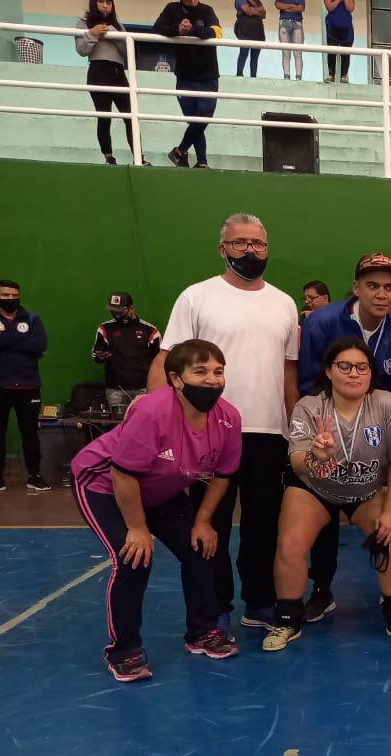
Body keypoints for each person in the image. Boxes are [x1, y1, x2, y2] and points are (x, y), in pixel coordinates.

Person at [149, 213, 300, 634]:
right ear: (222, 249)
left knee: (262, 525)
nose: (250, 250)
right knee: (208, 524)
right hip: (208, 435)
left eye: (258, 243)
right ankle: (214, 608)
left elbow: (288, 373)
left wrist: (295, 430)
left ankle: (260, 601)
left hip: (268, 434)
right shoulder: (197, 297)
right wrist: (162, 420)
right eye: (240, 243)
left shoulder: (285, 303)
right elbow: (166, 361)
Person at [72, 339, 241, 681]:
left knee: (200, 547)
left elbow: (223, 475)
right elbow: (123, 473)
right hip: (105, 484)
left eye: (218, 371)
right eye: (200, 371)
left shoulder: (228, 419)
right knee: (133, 558)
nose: (211, 379)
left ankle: (202, 633)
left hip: (159, 489)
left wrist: (203, 521)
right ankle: (124, 651)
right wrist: (137, 528)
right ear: (176, 379)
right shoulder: (153, 411)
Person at [297, 252, 391, 621]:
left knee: (389, 511)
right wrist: (317, 432)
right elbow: (308, 383)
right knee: (324, 502)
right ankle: (321, 588)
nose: (382, 294)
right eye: (373, 286)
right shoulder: (322, 322)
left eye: (389, 287)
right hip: (331, 427)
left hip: (381, 428)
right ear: (356, 288)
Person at [264, 337, 391, 651]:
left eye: (362, 367)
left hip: (366, 491)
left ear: (370, 372)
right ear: (329, 370)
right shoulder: (309, 407)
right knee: (290, 544)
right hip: (314, 488)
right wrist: (316, 457)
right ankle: (287, 619)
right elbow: (296, 460)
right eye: (345, 366)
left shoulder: (386, 404)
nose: (354, 373)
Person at [0, 279, 49, 495]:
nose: (10, 299)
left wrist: (3, 337)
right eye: (5, 295)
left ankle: (35, 476)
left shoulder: (32, 318)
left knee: (30, 434)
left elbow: (40, 345)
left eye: (14, 295)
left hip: (28, 386)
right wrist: (22, 338)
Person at [154, 0, 223, 169]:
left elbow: (217, 32)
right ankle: (202, 162)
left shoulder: (207, 10)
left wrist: (192, 30)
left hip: (208, 76)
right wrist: (177, 29)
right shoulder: (172, 8)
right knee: (194, 121)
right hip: (185, 76)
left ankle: (180, 151)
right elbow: (157, 28)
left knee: (203, 116)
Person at [75, 0, 144, 166]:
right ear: (94, 3)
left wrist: (116, 35)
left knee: (131, 117)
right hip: (98, 71)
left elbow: (130, 52)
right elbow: (81, 50)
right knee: (104, 117)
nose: (105, 6)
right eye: (101, 1)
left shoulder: (119, 26)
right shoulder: (83, 23)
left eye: (109, 2)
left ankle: (139, 157)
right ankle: (108, 157)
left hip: (118, 73)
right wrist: (93, 33)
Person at [92, 291, 161, 410]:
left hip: (143, 389)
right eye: (113, 311)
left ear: (131, 308)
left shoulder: (150, 330)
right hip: (115, 391)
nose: (116, 314)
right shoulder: (105, 329)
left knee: (142, 420)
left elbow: (160, 360)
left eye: (119, 311)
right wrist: (100, 356)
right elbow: (96, 355)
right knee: (118, 422)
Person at [323, 0, 354, 83]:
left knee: (346, 52)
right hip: (332, 26)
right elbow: (329, 7)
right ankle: (331, 75)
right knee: (331, 51)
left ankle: (344, 76)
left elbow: (351, 8)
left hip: (346, 26)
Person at [233, 0, 266, 77]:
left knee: (255, 57)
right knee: (243, 54)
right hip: (245, 33)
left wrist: (254, 11)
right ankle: (239, 75)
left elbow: (264, 15)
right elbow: (246, 9)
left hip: (258, 33)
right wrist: (259, 10)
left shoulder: (258, 2)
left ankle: (253, 77)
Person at [275, 0, 304, 79]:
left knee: (298, 53)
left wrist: (286, 7)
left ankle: (298, 78)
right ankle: (286, 77)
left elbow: (301, 8)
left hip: (297, 23)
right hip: (284, 22)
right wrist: (293, 6)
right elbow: (278, 5)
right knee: (286, 53)